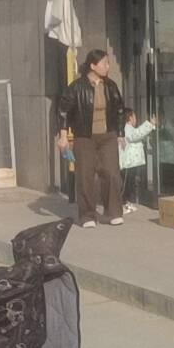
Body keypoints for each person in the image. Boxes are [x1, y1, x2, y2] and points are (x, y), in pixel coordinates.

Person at [55, 49, 127, 229]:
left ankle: (113, 212)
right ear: (93, 66)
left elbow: (120, 110)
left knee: (111, 173)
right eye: (104, 63)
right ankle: (87, 215)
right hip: (84, 137)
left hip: (108, 136)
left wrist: (120, 134)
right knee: (85, 176)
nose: (108, 66)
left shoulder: (110, 86)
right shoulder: (77, 87)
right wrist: (63, 136)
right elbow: (63, 112)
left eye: (108, 63)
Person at [119, 109, 157, 213]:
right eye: (134, 116)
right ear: (130, 117)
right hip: (128, 163)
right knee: (126, 184)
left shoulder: (129, 128)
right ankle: (123, 204)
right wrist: (149, 124)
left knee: (130, 184)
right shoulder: (127, 128)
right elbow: (136, 135)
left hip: (131, 162)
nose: (136, 119)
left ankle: (126, 203)